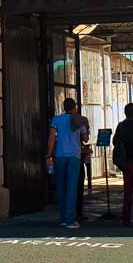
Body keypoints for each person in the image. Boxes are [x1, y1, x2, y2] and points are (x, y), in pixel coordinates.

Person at [46, 97, 82, 229]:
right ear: (74, 107)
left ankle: (63, 218)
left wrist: (48, 154)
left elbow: (51, 137)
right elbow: (85, 137)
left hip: (59, 155)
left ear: (64, 107)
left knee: (61, 187)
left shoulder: (56, 120)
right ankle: (70, 219)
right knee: (72, 188)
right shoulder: (79, 120)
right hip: (74, 156)